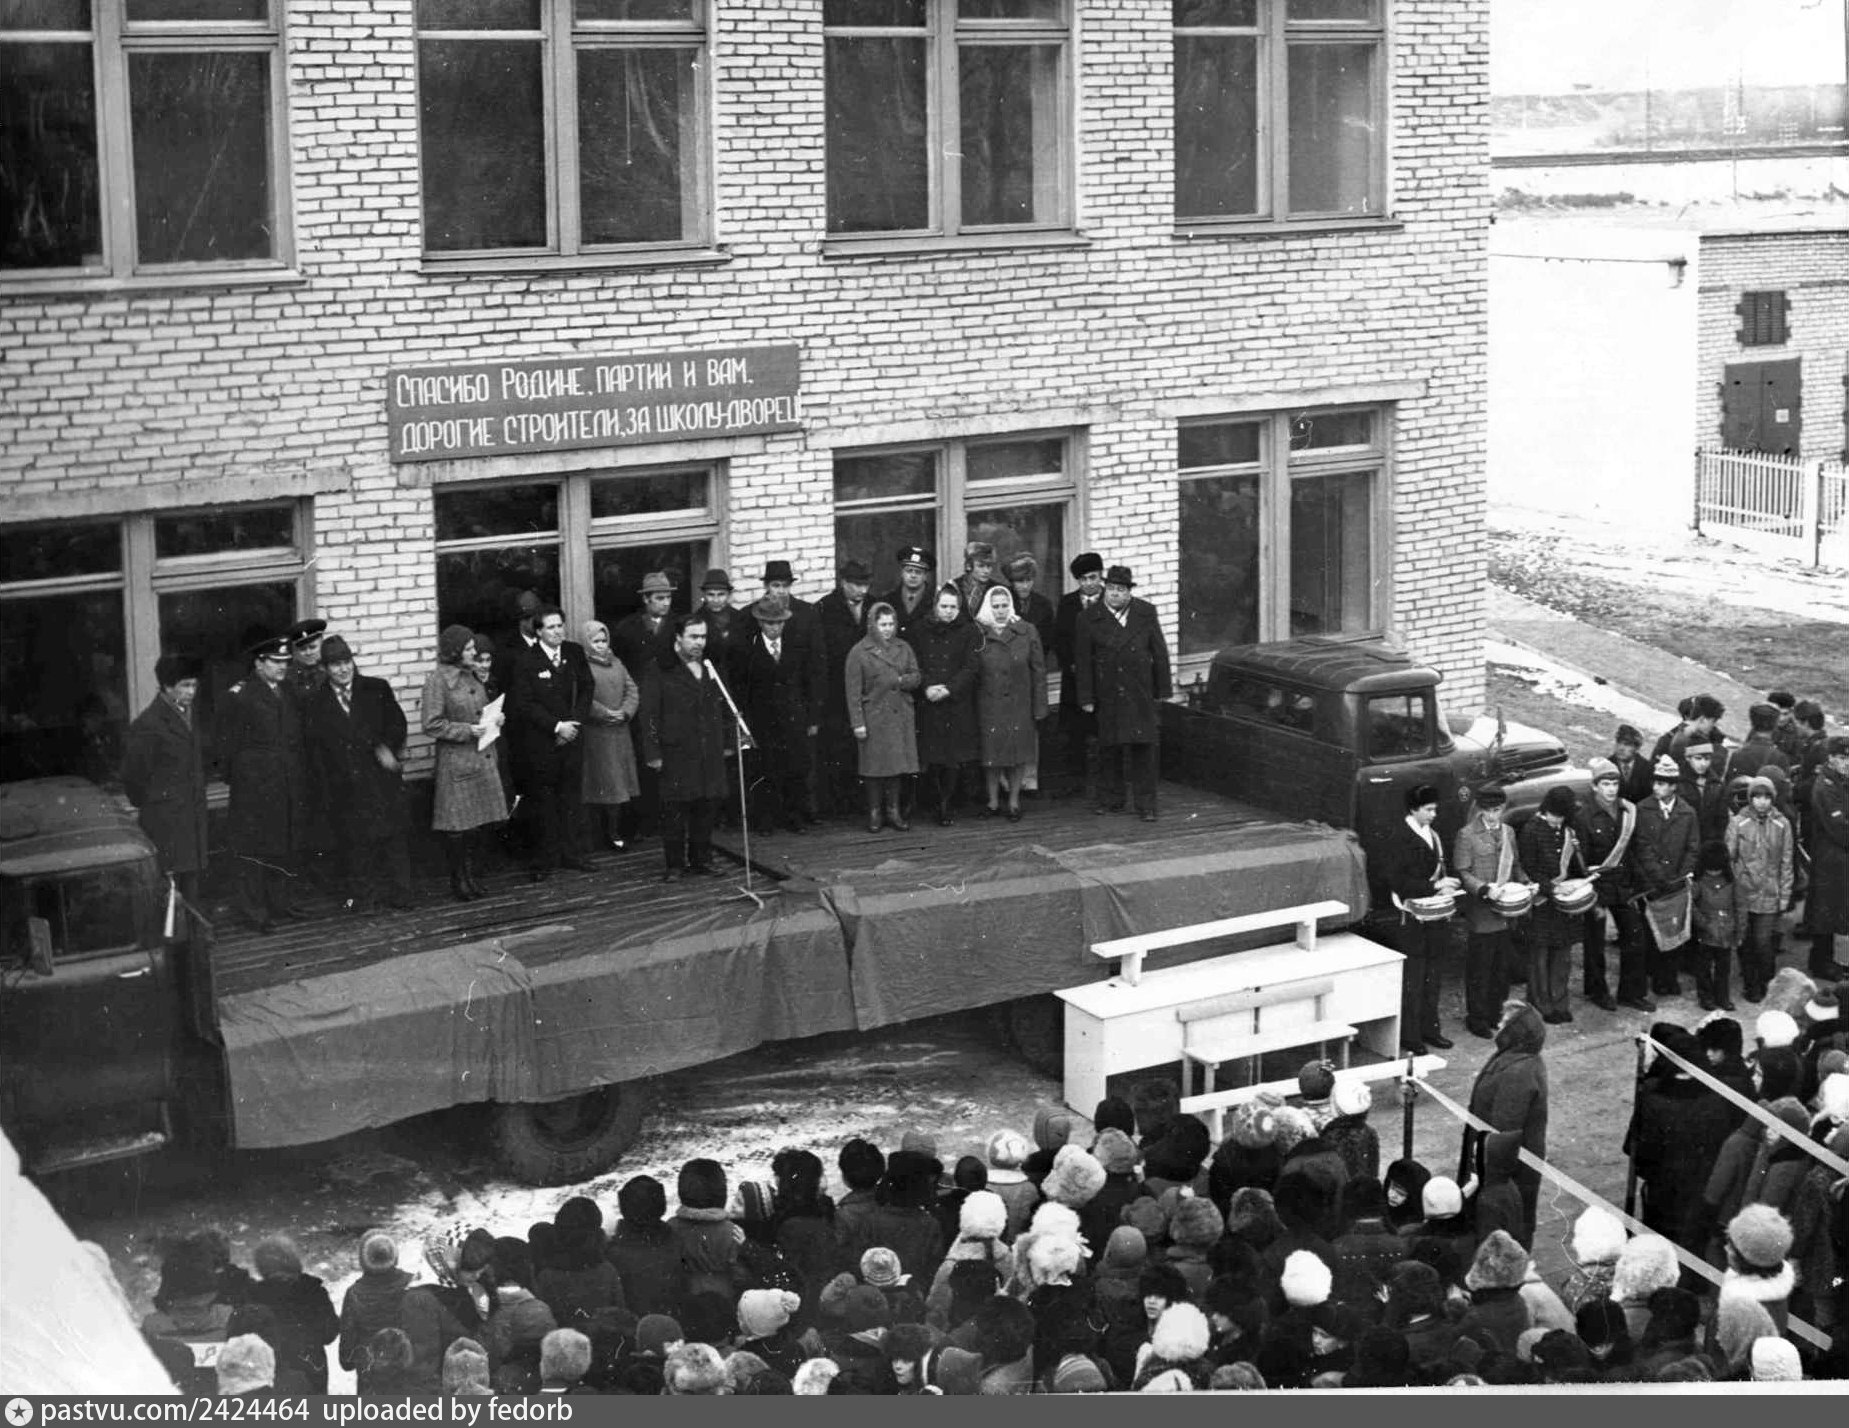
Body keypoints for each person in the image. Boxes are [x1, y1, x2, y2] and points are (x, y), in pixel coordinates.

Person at [305, 636, 412, 912]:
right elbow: (316, 750)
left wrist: (387, 747)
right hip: (345, 786)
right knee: (356, 845)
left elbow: (397, 724)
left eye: (346, 662)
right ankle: (365, 899)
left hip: (380, 780)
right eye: (335, 665)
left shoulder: (376, 688)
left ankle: (401, 894)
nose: (343, 669)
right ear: (325, 668)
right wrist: (326, 788)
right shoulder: (316, 702)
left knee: (393, 839)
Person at [217, 633, 306, 934]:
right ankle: (254, 912)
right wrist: (245, 781)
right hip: (254, 788)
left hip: (285, 783)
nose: (283, 667)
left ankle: (281, 903)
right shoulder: (239, 696)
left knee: (282, 845)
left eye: (286, 661)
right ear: (258, 663)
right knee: (253, 850)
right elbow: (226, 747)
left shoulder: (287, 691)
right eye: (276, 662)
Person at [637, 612, 733, 882]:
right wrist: (653, 752)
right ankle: (675, 864)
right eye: (693, 637)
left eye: (703, 637)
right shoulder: (659, 668)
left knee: (706, 806)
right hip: (676, 750)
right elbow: (649, 714)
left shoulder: (712, 667)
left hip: (709, 750)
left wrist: (727, 742)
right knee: (675, 809)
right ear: (678, 638)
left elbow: (726, 707)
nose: (699, 642)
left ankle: (702, 859)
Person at [1074, 565, 1172, 823]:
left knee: (1144, 749)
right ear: (1104, 589)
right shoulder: (1088, 618)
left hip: (1140, 691)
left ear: (1129, 592)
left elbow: (1159, 652)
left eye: (1120, 589)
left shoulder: (1145, 612)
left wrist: (1163, 689)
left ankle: (1146, 805)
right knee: (1109, 747)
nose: (1115, 594)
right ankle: (1112, 799)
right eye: (1111, 589)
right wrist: (1086, 698)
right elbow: (1082, 662)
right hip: (1107, 692)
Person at [507, 606, 595, 882]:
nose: (558, 631)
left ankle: (573, 854)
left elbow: (587, 688)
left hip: (572, 737)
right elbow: (524, 703)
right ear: (539, 631)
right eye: (551, 627)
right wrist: (556, 726)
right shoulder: (526, 661)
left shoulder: (574, 652)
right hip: (542, 742)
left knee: (571, 798)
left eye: (560, 625)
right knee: (542, 801)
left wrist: (574, 724)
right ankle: (543, 860)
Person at [421, 625, 508, 902]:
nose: (473, 653)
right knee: (458, 828)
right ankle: (459, 879)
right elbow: (431, 724)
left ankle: (471, 876)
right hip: (457, 764)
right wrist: (467, 730)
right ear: (455, 652)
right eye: (469, 649)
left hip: (480, 759)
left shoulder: (472, 677)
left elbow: (479, 710)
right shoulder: (438, 681)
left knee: (477, 824)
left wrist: (495, 719)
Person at [1375, 783, 1461, 1054]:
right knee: (1414, 977)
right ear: (1413, 809)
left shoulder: (1433, 835)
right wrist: (1435, 886)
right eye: (1428, 809)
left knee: (1433, 974)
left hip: (1433, 914)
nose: (1434, 814)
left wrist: (1445, 885)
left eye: (1435, 809)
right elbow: (1396, 881)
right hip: (1410, 916)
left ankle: (1430, 1030)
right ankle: (1410, 1036)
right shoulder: (1398, 837)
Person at [121, 654, 210, 908]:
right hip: (166, 822)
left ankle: (192, 931)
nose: (191, 692)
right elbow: (133, 777)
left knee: (191, 887)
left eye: (194, 685)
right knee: (170, 892)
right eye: (185, 685)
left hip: (191, 819)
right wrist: (157, 803)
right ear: (167, 687)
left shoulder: (189, 716)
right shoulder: (148, 725)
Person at [1461, 1001, 1549, 1248]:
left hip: (1502, 1168)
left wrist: (1483, 1169)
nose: (1499, 1026)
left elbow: (1505, 1127)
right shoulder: (1518, 1059)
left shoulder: (1517, 1071)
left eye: (1504, 1023)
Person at [737, 593, 825, 836]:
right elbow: (742, 687)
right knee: (765, 769)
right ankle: (765, 820)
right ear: (760, 623)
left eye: (778, 623)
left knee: (795, 768)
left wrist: (811, 717)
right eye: (769, 623)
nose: (774, 628)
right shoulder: (748, 649)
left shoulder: (796, 645)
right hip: (762, 720)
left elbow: (809, 681)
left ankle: (794, 816)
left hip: (793, 718)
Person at [1575, 757, 1651, 1014]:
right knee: (1595, 943)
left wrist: (1639, 885)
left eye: (1615, 784)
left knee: (1635, 938)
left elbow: (1634, 850)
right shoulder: (1583, 816)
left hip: (1624, 885)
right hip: (1597, 887)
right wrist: (1592, 896)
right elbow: (1581, 862)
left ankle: (1631, 993)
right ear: (1594, 786)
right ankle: (1597, 991)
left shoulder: (1628, 811)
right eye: (1605, 784)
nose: (1611, 789)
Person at [1453, 787, 1529, 1038]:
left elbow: (1516, 865)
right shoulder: (1466, 835)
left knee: (1501, 969)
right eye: (1488, 811)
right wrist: (1484, 889)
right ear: (1480, 809)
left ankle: (1496, 1013)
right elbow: (1463, 872)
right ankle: (1476, 1018)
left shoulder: (1509, 832)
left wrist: (1526, 883)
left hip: (1505, 912)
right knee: (1480, 969)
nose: (1493, 816)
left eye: (1497, 810)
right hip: (1482, 913)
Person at [610, 571, 679, 843]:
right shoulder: (628, 628)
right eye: (659, 598)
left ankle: (668, 819)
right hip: (640, 704)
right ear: (646, 599)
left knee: (670, 760)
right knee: (643, 762)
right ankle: (643, 822)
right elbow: (620, 666)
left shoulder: (678, 625)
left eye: (668, 598)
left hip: (670, 704)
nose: (665, 603)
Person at [845, 601, 922, 834]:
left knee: (896, 767)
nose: (888, 629)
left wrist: (900, 681)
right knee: (874, 769)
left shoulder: (904, 647)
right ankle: (875, 812)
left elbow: (916, 676)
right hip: (874, 718)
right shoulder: (859, 652)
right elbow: (853, 692)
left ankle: (893, 811)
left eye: (891, 624)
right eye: (883, 624)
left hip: (899, 715)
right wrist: (858, 723)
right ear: (872, 625)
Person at [974, 585, 1047, 823]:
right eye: (995, 606)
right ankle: (993, 801)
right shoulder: (978, 633)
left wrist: (1040, 706)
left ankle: (1014, 801)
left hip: (1019, 704)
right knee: (992, 755)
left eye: (1004, 605)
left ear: (1011, 606)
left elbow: (1038, 671)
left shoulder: (1026, 631)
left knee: (1017, 755)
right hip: (989, 704)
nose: (1000, 611)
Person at [909, 585, 981, 827]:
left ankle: (945, 804)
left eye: (953, 607)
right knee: (932, 755)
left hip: (955, 700)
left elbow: (971, 666)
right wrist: (927, 687)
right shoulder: (920, 629)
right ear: (935, 606)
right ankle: (933, 800)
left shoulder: (969, 631)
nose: (948, 611)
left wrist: (949, 688)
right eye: (944, 606)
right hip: (929, 700)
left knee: (952, 756)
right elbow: (915, 662)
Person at [1517, 786, 1586, 1025]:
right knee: (1540, 955)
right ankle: (1541, 1004)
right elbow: (1529, 867)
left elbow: (1573, 865)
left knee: (1562, 954)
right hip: (1542, 900)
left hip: (1563, 903)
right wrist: (1552, 888)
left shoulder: (1568, 830)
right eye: (1555, 816)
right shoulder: (1531, 830)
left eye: (1562, 817)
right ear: (1547, 810)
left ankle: (1560, 1002)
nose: (1559, 821)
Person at [1634, 754, 1700, 998]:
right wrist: (1657, 876)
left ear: (1673, 786)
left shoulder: (1687, 813)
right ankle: (1654, 976)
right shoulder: (1643, 809)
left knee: (1674, 931)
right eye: (1655, 782)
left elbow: (1693, 848)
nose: (1656, 788)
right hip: (1651, 884)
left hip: (1676, 885)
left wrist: (1680, 876)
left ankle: (1669, 977)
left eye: (1662, 783)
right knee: (1651, 932)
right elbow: (1641, 846)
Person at [1727, 775, 1793, 1003]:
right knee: (1745, 941)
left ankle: (1766, 982)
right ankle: (1750, 984)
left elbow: (1787, 862)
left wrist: (1784, 895)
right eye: (1757, 797)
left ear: (1772, 799)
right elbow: (1730, 857)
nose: (1762, 802)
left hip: (1769, 894)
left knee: (1764, 942)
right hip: (1744, 893)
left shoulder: (1782, 824)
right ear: (1750, 798)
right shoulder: (1738, 822)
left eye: (1766, 797)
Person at [815, 559, 874, 817]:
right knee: (839, 745)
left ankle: (863, 801)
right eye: (856, 585)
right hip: (837, 691)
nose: (862, 590)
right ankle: (839, 804)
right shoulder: (825, 608)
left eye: (865, 585)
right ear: (843, 583)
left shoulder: (875, 606)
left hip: (869, 689)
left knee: (867, 746)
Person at [579, 619, 639, 853]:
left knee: (620, 785)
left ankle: (616, 831)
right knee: (602, 784)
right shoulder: (582, 666)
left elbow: (632, 690)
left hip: (620, 732)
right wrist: (604, 713)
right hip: (597, 734)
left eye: (604, 640)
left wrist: (625, 712)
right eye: (595, 641)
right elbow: (582, 696)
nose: (601, 645)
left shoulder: (617, 663)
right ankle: (599, 834)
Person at [1053, 552, 1106, 801]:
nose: (1089, 583)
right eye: (1083, 579)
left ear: (1101, 576)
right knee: (1075, 733)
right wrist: (1071, 665)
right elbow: (1059, 639)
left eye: (1093, 577)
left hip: (1104, 679)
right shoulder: (1068, 603)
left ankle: (1106, 783)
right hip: (1075, 679)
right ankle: (1076, 782)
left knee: (1104, 730)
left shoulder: (1112, 600)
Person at [1005, 553, 1058, 795]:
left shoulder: (1043, 605)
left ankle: (1029, 778)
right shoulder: (1003, 603)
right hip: (1007, 672)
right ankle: (1006, 780)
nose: (1024, 586)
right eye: (1019, 581)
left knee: (1030, 726)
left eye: (1028, 580)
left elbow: (1047, 641)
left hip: (1031, 672)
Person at [1802, 736, 1849, 980]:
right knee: (1825, 911)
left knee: (1834, 909)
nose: (1847, 762)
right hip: (1829, 858)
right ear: (1831, 758)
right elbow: (1839, 826)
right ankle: (1821, 962)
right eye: (1842, 757)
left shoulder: (1839, 782)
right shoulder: (1826, 786)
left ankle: (1828, 959)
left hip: (1838, 858)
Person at [875, 547, 936, 641]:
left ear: (925, 576)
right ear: (902, 573)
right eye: (909, 571)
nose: (913, 575)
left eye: (918, 572)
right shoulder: (887, 601)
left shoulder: (935, 601)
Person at [953, 541, 1000, 623]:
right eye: (981, 566)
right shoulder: (953, 587)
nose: (986, 571)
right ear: (968, 566)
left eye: (989, 566)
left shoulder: (997, 589)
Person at [1610, 725, 1654, 807]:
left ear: (1637, 748)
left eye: (1627, 745)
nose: (1621, 748)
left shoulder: (1648, 768)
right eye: (1619, 743)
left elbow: (1650, 798)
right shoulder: (1608, 765)